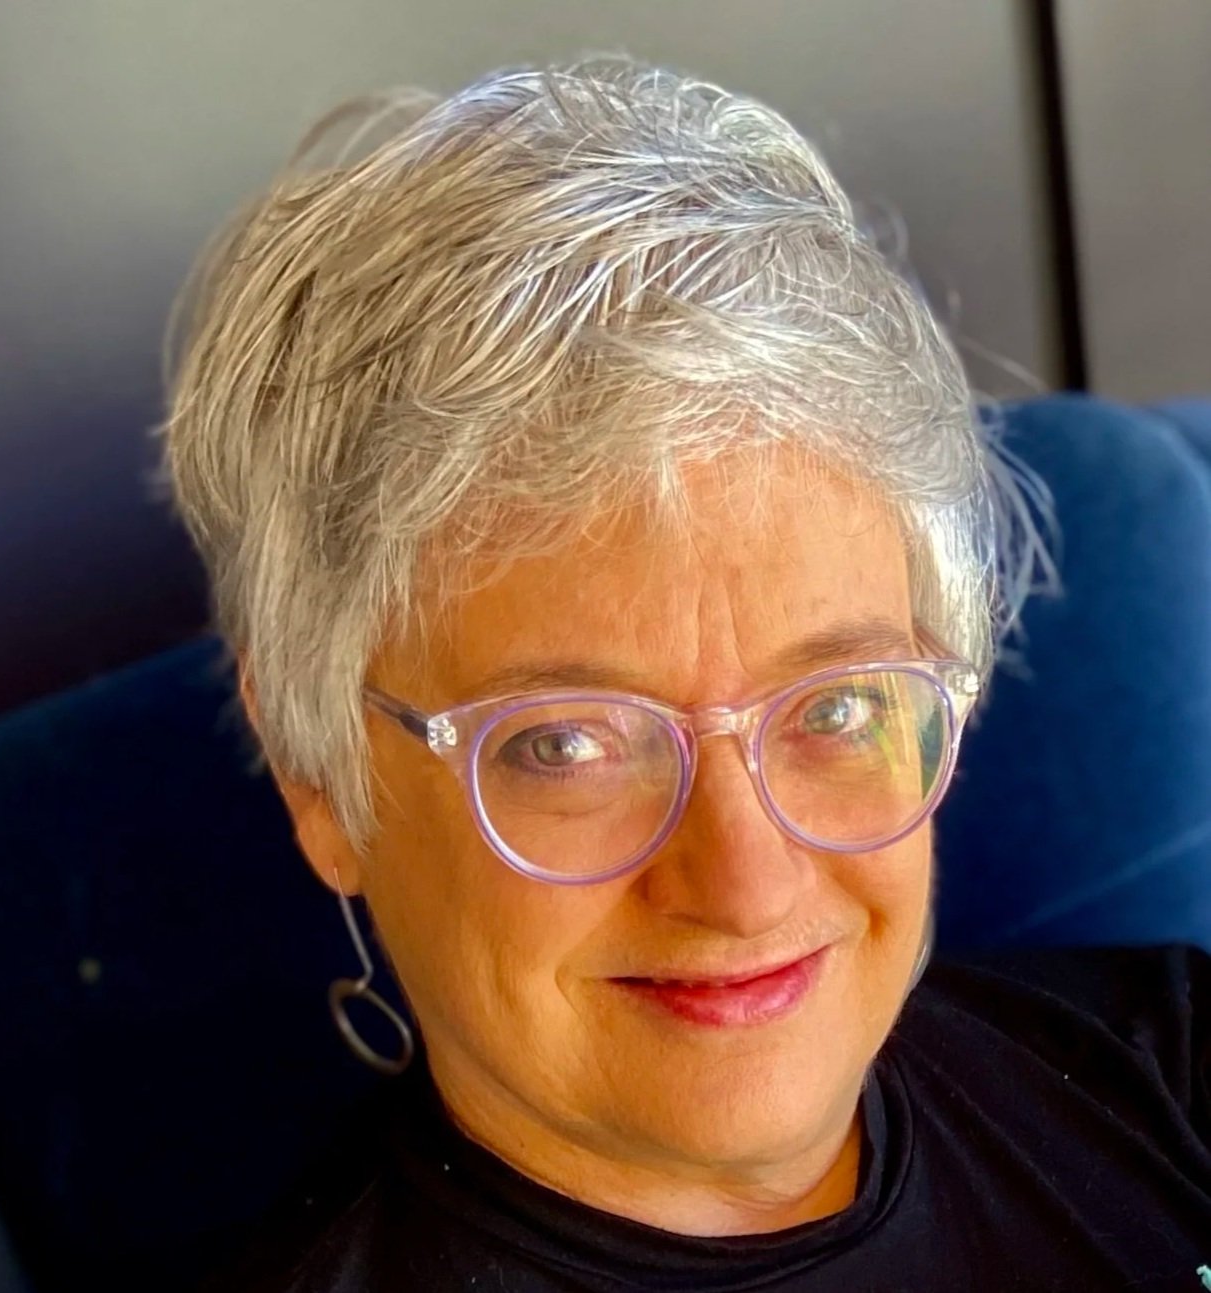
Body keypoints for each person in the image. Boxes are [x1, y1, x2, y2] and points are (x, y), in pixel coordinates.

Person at [162, 57, 1211, 1292]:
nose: (743, 887)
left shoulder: (1164, 1061)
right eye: (566, 743)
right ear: (318, 773)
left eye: (832, 707)